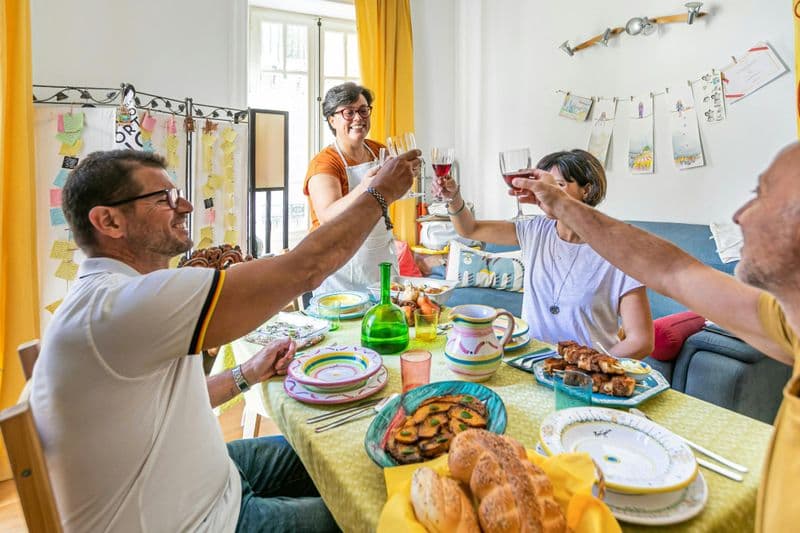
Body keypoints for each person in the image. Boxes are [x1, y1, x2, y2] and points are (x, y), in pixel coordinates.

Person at [30, 148, 419, 532]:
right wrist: (379, 193)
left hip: (205, 477)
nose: (184, 205)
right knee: (373, 511)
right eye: (163, 198)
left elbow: (162, 397)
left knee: (352, 454)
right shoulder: (119, 304)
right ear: (109, 221)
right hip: (200, 520)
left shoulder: (111, 297)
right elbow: (306, 268)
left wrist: (247, 372)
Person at [514, 143, 800, 532]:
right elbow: (673, 270)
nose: (739, 216)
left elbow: (656, 308)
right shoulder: (785, 324)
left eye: (761, 195)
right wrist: (560, 206)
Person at [435, 149, 653, 358]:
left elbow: (641, 341)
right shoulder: (534, 230)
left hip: (584, 379)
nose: (546, 193)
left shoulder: (619, 250)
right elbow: (469, 229)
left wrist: (588, 365)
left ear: (586, 190)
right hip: (530, 362)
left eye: (558, 186)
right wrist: (453, 197)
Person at [304, 82, 399, 295]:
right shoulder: (325, 163)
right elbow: (328, 215)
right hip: (339, 273)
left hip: (379, 260)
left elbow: (387, 196)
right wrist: (364, 186)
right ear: (332, 120)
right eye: (349, 112)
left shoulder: (379, 150)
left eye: (363, 111)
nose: (358, 118)